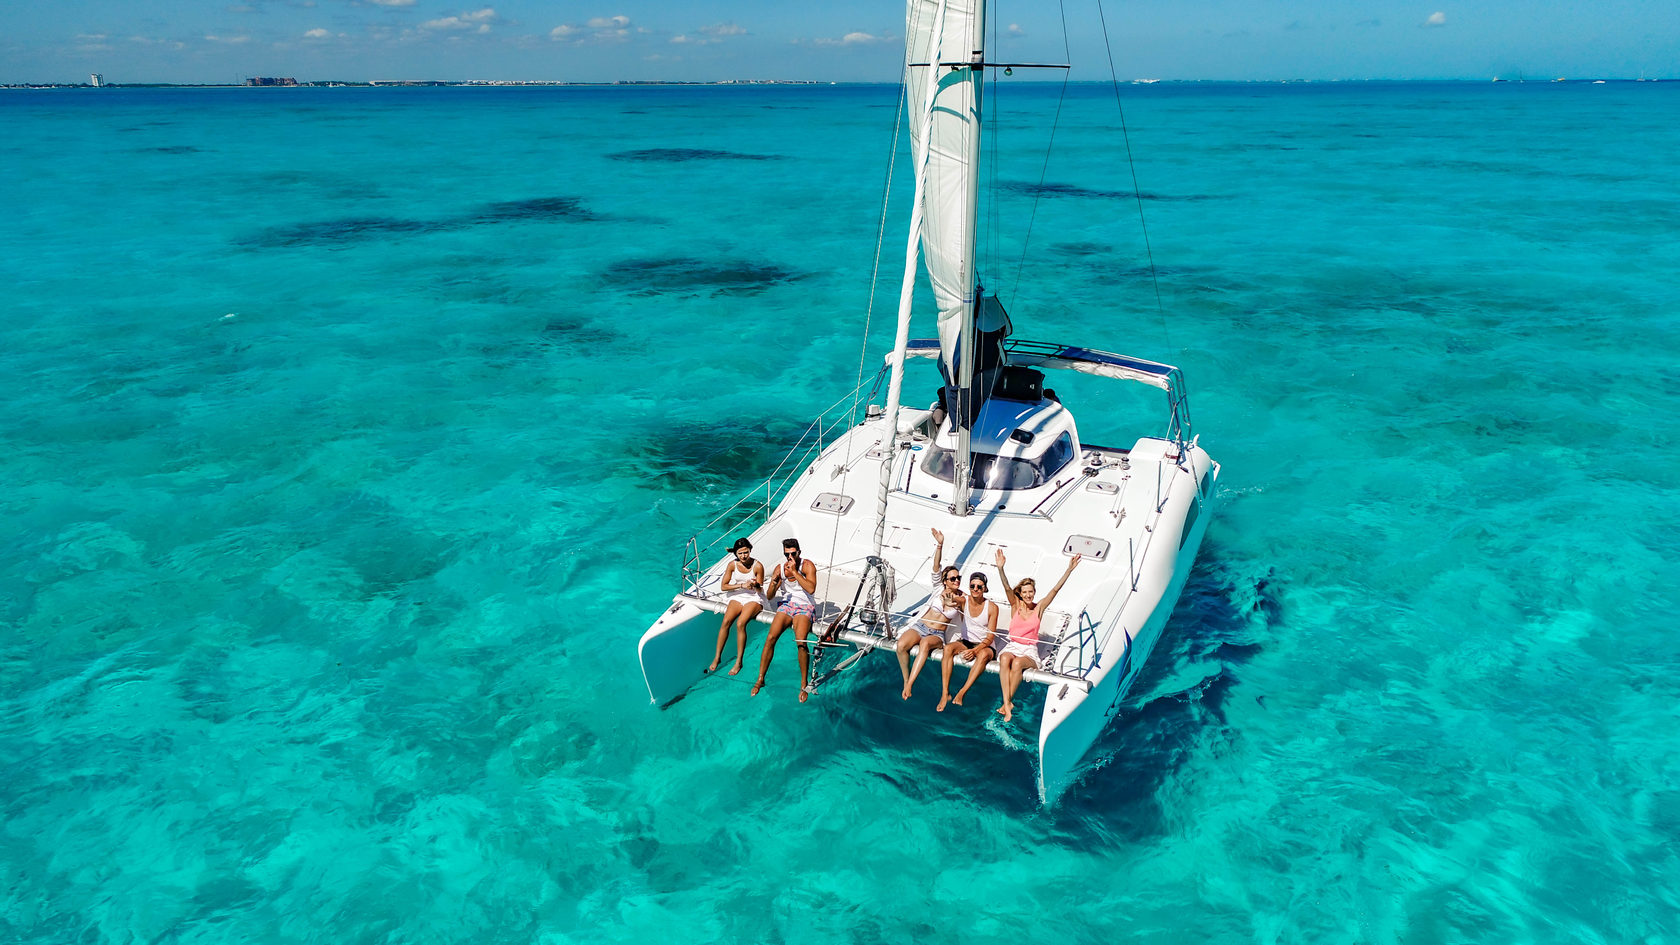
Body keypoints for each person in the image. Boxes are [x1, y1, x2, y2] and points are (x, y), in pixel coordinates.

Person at [993, 548, 1080, 722]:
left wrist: (1068, 570)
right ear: (1020, 593)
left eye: (1030, 591)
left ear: (1034, 592)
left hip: (1029, 650)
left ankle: (1008, 702)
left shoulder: (1038, 608)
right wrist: (1001, 568)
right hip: (1013, 645)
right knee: (1004, 659)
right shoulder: (1015, 605)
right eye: (1024, 592)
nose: (1028, 595)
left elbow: (1055, 590)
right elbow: (1006, 587)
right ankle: (1007, 702)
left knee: (1017, 663)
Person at [897, 528, 963, 700]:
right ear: (945, 580)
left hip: (937, 634)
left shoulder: (962, 598)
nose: (956, 581)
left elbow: (968, 610)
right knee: (901, 645)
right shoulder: (938, 588)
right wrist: (940, 545)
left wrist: (953, 603)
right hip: (920, 626)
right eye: (952, 578)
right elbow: (936, 567)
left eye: (958, 578)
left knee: (925, 644)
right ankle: (906, 679)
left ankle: (910, 684)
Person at [752, 538, 821, 702]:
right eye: (786, 554)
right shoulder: (780, 569)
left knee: (800, 641)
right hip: (787, 605)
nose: (789, 557)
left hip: (805, 606)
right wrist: (774, 582)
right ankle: (761, 678)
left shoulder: (807, 565)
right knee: (770, 638)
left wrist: (795, 572)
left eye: (793, 553)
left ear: (799, 552)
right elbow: (768, 596)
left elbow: (811, 589)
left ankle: (804, 683)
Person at [938, 570, 999, 712]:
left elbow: (990, 637)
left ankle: (962, 692)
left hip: (985, 645)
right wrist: (948, 600)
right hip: (966, 642)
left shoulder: (992, 607)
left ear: (985, 588)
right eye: (972, 586)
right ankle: (945, 692)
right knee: (947, 649)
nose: (975, 589)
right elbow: (952, 599)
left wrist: (975, 651)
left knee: (983, 655)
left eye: (979, 586)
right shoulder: (964, 601)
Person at [707, 537, 764, 675]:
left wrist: (755, 585)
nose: (744, 556)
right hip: (738, 594)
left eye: (746, 552)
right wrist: (742, 585)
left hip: (754, 597)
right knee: (726, 621)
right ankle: (717, 657)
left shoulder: (757, 566)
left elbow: (760, 588)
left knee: (740, 623)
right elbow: (724, 586)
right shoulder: (732, 565)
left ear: (750, 550)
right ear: (736, 554)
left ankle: (739, 661)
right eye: (740, 553)